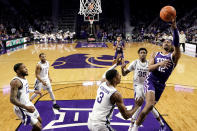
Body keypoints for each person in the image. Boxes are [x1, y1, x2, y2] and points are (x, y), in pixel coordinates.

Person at [131, 18, 181, 131]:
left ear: (172, 45)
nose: (166, 42)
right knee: (148, 105)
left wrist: (175, 28)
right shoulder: (155, 54)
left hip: (161, 85)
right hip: (151, 80)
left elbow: (177, 45)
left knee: (149, 108)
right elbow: (149, 68)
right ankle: (134, 128)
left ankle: (135, 125)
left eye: (168, 41)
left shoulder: (174, 57)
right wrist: (160, 64)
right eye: (164, 41)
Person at [88, 57, 141, 131]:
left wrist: (116, 64)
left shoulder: (102, 83)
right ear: (114, 79)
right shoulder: (115, 94)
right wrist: (137, 106)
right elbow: (126, 116)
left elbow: (107, 72)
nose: (120, 76)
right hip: (101, 126)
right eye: (118, 75)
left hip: (90, 121)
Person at [121, 48, 164, 131]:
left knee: (150, 106)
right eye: (141, 52)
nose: (143, 54)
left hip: (147, 85)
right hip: (138, 86)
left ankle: (161, 123)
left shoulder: (149, 63)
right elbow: (124, 74)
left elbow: (156, 74)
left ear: (146, 54)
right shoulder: (135, 62)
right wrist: (122, 68)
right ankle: (131, 125)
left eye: (144, 53)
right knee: (139, 105)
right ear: (138, 54)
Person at [10, 63, 42, 131]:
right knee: (38, 127)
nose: (26, 69)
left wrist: (34, 91)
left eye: (26, 67)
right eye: (24, 68)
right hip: (22, 108)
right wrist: (26, 107)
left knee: (40, 121)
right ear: (18, 71)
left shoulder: (24, 78)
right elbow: (12, 99)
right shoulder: (15, 82)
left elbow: (24, 89)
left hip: (28, 104)